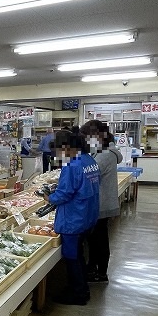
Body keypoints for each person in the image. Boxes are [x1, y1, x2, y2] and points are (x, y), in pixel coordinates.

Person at [48, 130, 100, 305]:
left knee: (72, 257)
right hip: (88, 214)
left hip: (73, 218)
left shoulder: (72, 165)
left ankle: (78, 293)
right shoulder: (89, 160)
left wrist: (49, 197)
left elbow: (64, 194)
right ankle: (81, 287)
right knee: (80, 254)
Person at [81, 120, 123, 282]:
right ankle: (92, 268)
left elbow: (88, 175)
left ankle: (101, 273)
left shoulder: (105, 155)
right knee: (95, 238)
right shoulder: (101, 151)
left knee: (99, 239)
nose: (85, 140)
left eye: (87, 136)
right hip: (100, 202)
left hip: (101, 204)